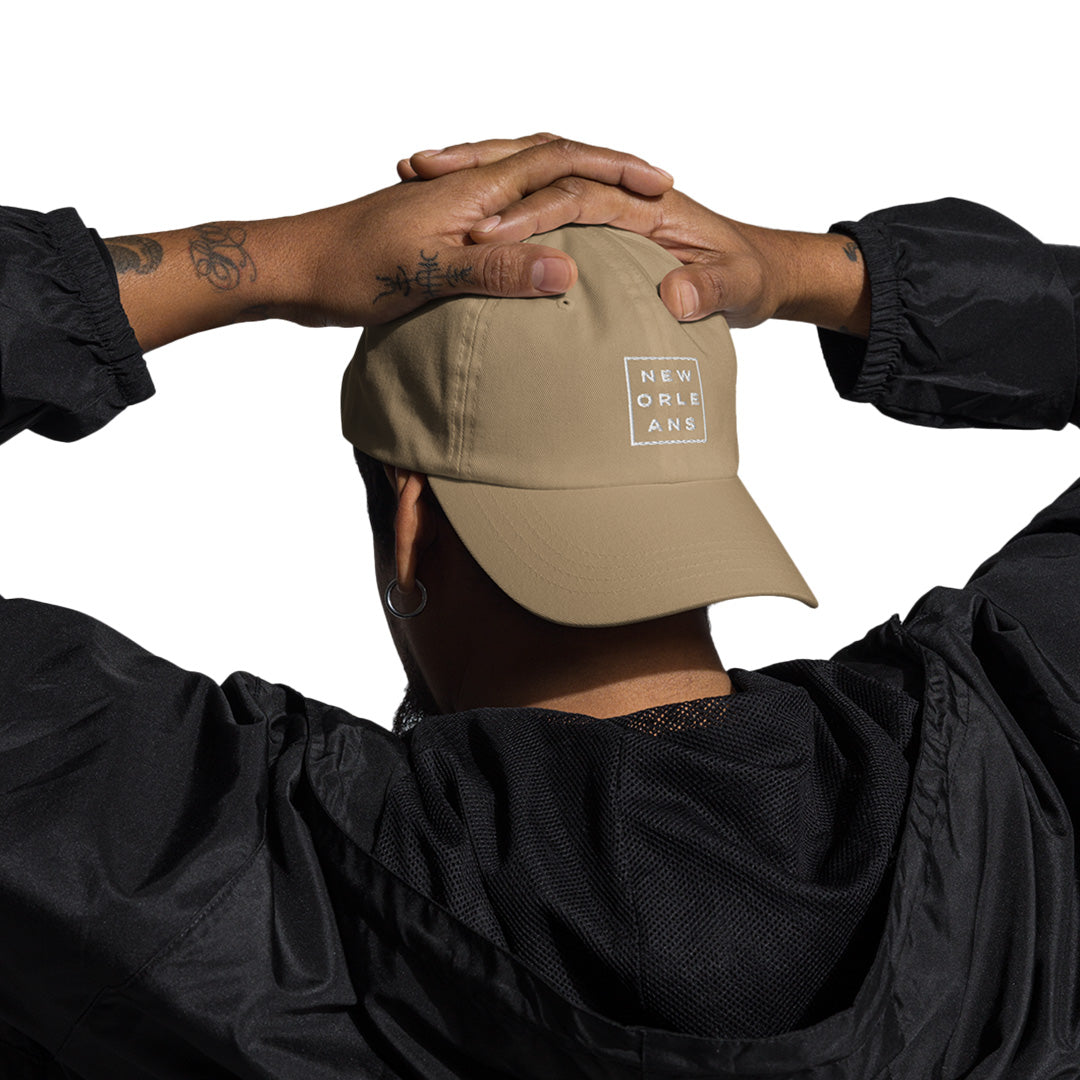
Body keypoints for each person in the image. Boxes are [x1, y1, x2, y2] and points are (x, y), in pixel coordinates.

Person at [1, 133, 1077, 1078]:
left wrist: (267, 265)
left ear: (409, 520)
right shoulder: (1012, 772)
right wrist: (809, 273)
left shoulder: (214, 861)